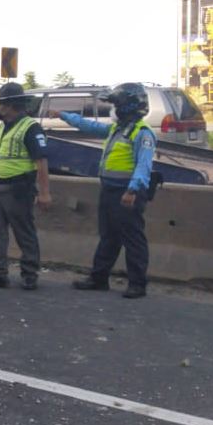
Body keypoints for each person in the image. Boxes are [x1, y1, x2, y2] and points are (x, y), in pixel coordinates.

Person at [57, 83, 156, 299]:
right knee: (108, 236)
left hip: (127, 192)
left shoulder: (142, 133)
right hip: (110, 189)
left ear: (128, 107)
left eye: (116, 105)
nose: (113, 110)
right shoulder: (117, 129)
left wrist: (132, 190)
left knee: (133, 238)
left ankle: (137, 284)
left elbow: (144, 165)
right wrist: (65, 116)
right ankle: (99, 278)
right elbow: (89, 126)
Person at [0, 82, 52, 290]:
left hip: (20, 187)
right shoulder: (2, 129)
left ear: (10, 105)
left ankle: (29, 274)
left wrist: (44, 193)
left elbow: (41, 162)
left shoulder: (30, 128)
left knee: (23, 231)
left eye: (1, 104)